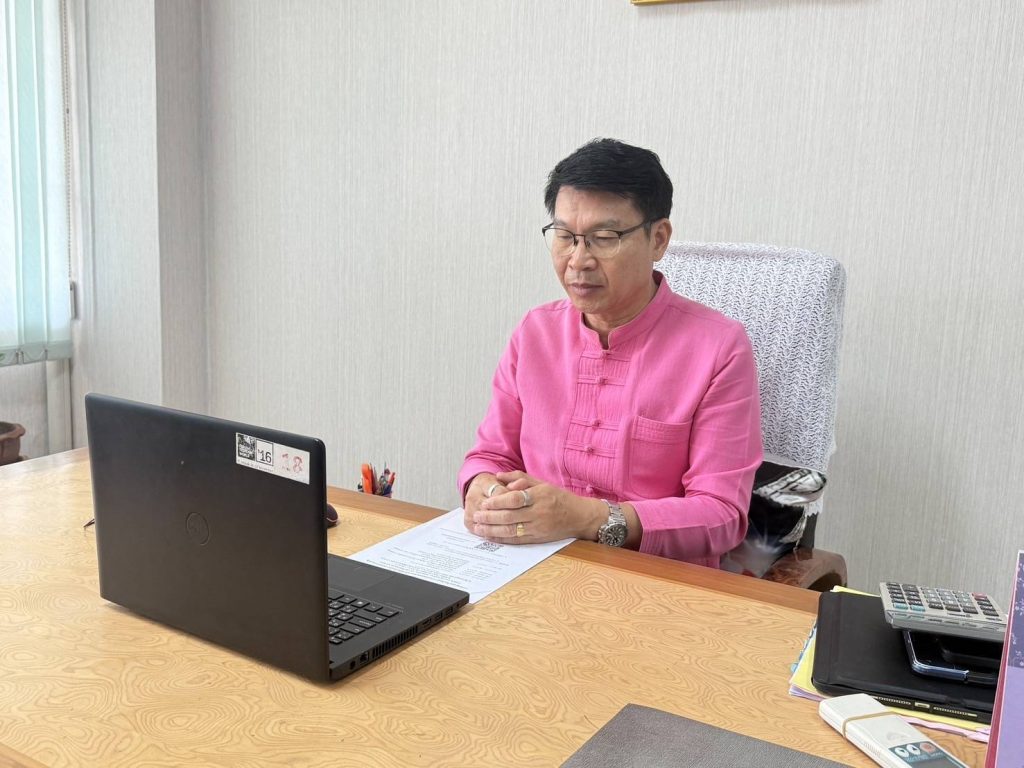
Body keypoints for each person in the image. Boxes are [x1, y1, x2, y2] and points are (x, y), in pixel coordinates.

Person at [458, 138, 762, 568]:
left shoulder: (719, 348)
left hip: (654, 580)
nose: (578, 261)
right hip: (528, 565)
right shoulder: (535, 332)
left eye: (604, 238)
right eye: (565, 237)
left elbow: (721, 514)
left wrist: (587, 518)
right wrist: (483, 489)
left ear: (658, 239)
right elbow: (490, 456)